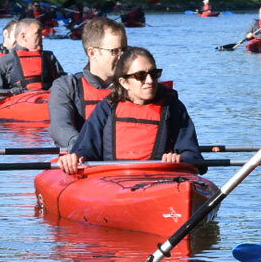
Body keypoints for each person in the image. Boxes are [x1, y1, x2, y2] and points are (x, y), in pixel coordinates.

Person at [58, 47, 203, 173]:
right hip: (111, 183)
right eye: (140, 76)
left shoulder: (173, 107)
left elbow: (192, 154)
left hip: (160, 180)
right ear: (124, 82)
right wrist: (75, 158)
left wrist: (180, 158)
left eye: (154, 74)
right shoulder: (107, 108)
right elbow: (85, 149)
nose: (150, 81)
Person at [48, 17, 127, 151]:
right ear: (92, 52)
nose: (123, 57)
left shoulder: (135, 84)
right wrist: (83, 147)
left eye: (125, 50)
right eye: (115, 51)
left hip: (126, 158)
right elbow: (59, 126)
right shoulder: (66, 86)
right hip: (83, 159)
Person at [0, 17, 66, 96]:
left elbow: (64, 82)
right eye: (38, 33)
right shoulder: (4, 61)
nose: (43, 37)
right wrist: (10, 91)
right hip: (18, 101)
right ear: (23, 36)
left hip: (46, 98)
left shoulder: (49, 57)